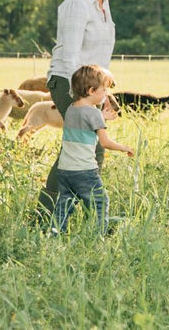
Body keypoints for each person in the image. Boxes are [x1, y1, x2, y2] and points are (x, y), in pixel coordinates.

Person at [35, 0, 128, 223]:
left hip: (90, 84)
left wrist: (103, 92)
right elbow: (73, 57)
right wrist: (83, 100)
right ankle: (47, 218)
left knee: (86, 149)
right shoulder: (78, 3)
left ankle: (80, 214)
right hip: (69, 82)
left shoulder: (102, 3)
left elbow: (99, 53)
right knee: (82, 148)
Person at [51, 64, 134, 235]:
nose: (105, 94)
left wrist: (101, 117)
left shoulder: (71, 109)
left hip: (65, 169)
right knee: (99, 202)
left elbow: (85, 119)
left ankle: (55, 233)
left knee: (65, 203)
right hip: (84, 171)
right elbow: (105, 143)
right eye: (103, 90)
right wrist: (124, 147)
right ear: (91, 90)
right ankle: (98, 238)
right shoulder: (94, 114)